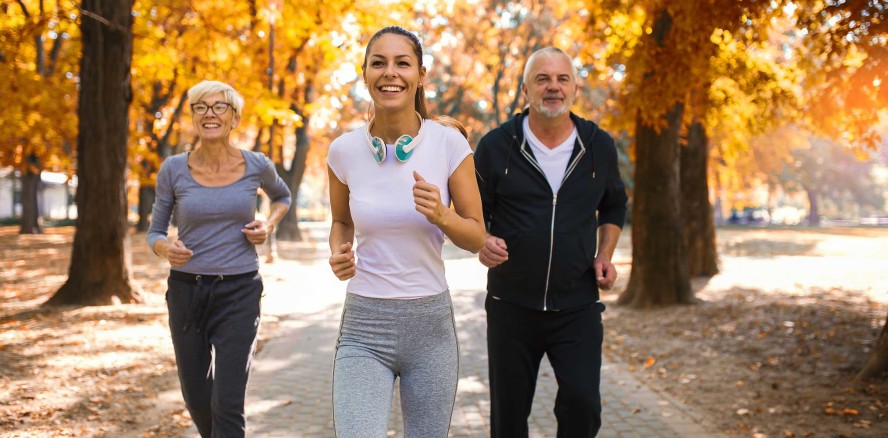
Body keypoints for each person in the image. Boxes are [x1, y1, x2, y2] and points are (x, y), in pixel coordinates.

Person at [326, 26, 486, 437]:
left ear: (420, 74)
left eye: (402, 63)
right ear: (364, 74)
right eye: (378, 63)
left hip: (429, 328)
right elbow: (341, 221)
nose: (390, 73)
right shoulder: (343, 150)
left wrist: (442, 216)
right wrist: (340, 252)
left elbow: (476, 237)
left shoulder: (449, 144)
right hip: (364, 326)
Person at [473, 47, 629, 437]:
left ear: (575, 89)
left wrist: (605, 254)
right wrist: (483, 241)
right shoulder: (496, 146)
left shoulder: (598, 146)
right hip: (511, 305)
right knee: (508, 420)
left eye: (562, 79)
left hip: (577, 304)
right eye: (542, 79)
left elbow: (613, 205)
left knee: (582, 406)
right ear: (526, 89)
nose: (553, 87)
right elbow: (474, 213)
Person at [147, 80, 291, 437]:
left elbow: (282, 197)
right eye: (201, 107)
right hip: (186, 292)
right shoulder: (173, 169)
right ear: (193, 117)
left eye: (219, 106)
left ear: (234, 118)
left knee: (227, 403)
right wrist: (167, 249)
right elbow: (155, 232)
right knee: (197, 397)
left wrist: (268, 225)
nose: (210, 113)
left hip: (239, 291)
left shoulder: (256, 164)